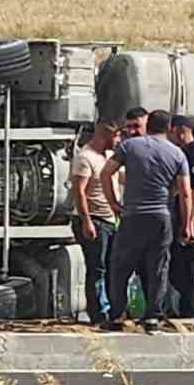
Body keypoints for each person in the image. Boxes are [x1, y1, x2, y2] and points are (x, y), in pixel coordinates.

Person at [98, 108, 192, 332]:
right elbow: (186, 192)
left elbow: (105, 173)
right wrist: (187, 223)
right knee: (158, 267)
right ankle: (153, 316)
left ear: (148, 124)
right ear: (169, 128)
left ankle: (117, 314)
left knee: (121, 266)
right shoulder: (177, 154)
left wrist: (113, 203)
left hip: (132, 215)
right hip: (161, 216)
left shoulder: (130, 147)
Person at [71, 120, 120, 324]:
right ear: (106, 135)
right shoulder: (85, 157)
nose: (118, 141)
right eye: (116, 136)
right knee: (97, 267)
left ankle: (112, 309)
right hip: (94, 219)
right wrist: (86, 221)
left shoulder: (108, 157)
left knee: (111, 266)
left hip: (110, 219)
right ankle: (98, 311)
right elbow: (79, 191)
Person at [165, 115, 194, 319]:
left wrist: (190, 221)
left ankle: (191, 306)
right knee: (176, 266)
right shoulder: (181, 153)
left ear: (181, 130)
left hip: (189, 217)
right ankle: (187, 303)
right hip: (179, 214)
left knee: (187, 266)